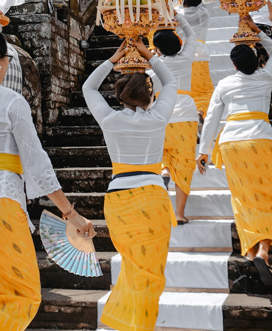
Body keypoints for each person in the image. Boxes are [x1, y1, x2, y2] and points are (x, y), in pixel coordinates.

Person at [0, 31, 95, 331]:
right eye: (6, 59)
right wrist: (70, 213)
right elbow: (36, 163)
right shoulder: (11, 102)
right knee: (21, 294)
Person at [83, 40, 179, 331]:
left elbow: (88, 88)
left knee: (134, 267)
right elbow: (171, 80)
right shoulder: (159, 116)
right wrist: (148, 54)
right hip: (152, 197)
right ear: (149, 95)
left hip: (119, 200)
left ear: (119, 95)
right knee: (150, 274)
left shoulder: (110, 119)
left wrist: (113, 59)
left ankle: (130, 324)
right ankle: (139, 325)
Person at [196, 20, 272, 287]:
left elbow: (211, 119)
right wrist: (258, 34)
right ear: (258, 60)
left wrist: (203, 151)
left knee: (243, 197)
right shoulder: (266, 76)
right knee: (266, 195)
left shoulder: (224, 85)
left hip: (232, 142)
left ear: (233, 65)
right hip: (260, 139)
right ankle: (264, 251)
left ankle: (248, 249)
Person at [148, 16, 198, 223]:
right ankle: (179, 213)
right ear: (178, 43)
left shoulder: (152, 69)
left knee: (161, 153)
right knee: (185, 163)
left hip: (162, 112)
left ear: (157, 49)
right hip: (186, 113)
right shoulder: (186, 58)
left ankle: (165, 170)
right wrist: (175, 16)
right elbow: (192, 35)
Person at [178, 0, 214, 116]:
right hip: (201, 53)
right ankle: (201, 110)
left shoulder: (177, 12)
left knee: (187, 87)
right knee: (205, 89)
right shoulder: (204, 12)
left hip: (183, 52)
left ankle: (188, 111)